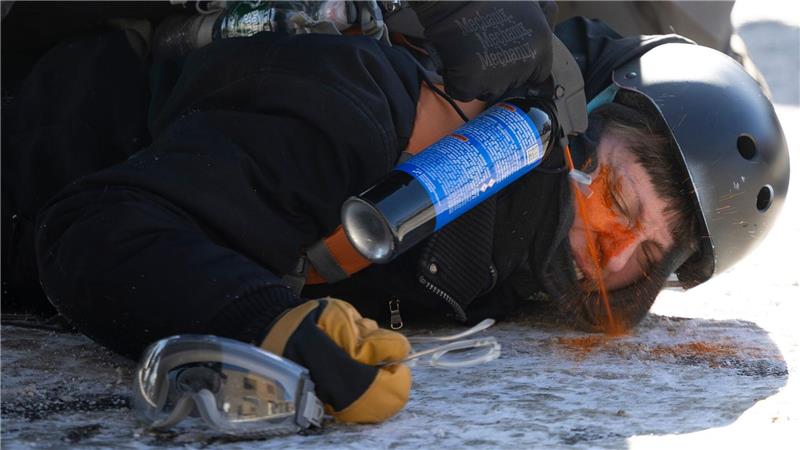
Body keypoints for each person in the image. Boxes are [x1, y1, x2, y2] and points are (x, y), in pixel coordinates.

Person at [2, 1, 789, 425]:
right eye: (619, 202)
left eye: (646, 257)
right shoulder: (373, 113)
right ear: (571, 129)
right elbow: (90, 232)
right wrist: (265, 325)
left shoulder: (505, 240)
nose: (610, 259)